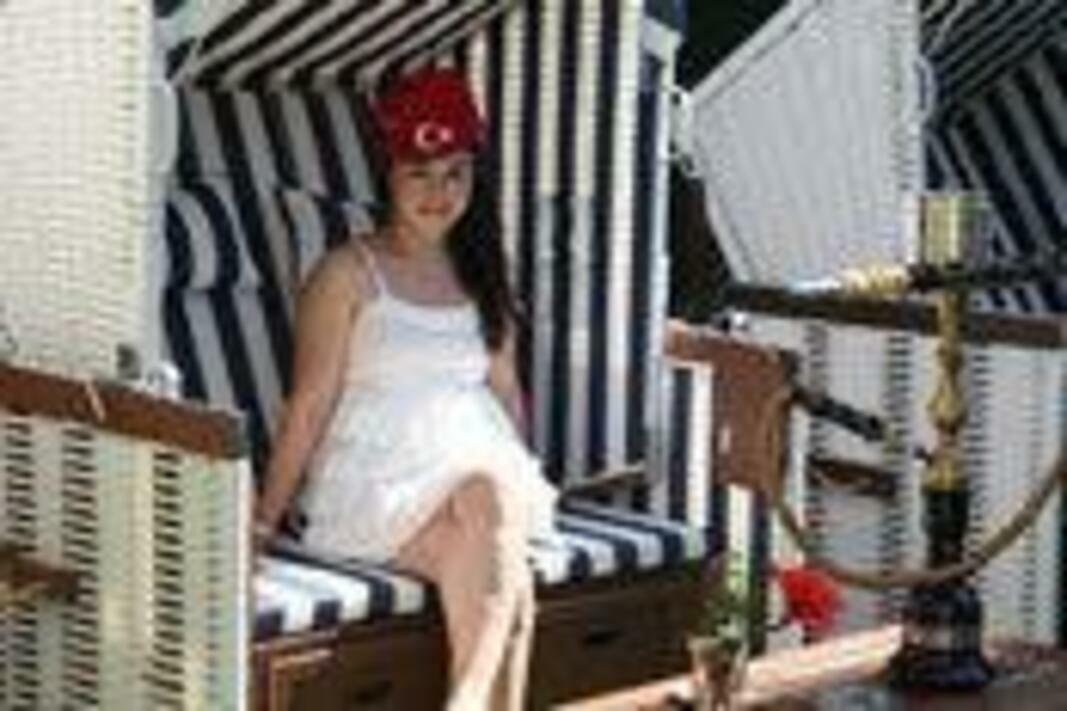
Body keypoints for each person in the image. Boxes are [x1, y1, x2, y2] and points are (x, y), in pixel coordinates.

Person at [253, 66, 560, 711]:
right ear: (388, 177)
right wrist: (261, 523)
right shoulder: (347, 274)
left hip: (470, 500)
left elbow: (507, 396)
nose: (438, 193)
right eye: (419, 173)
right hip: (373, 491)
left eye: (455, 174)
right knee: (495, 522)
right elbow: (308, 406)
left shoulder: (483, 275)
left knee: (509, 587)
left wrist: (521, 489)